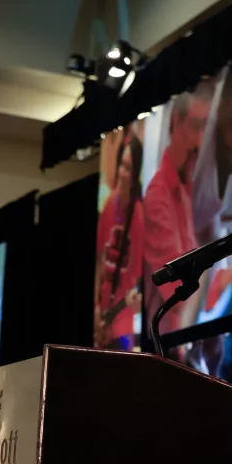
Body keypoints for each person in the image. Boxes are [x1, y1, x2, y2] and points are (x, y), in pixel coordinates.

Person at [143, 88, 211, 337]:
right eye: (195, 127)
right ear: (175, 123)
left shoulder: (183, 184)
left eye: (205, 128)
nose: (200, 141)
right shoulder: (158, 196)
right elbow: (180, 292)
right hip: (169, 349)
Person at [94, 135, 145, 350]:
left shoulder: (139, 216)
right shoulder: (109, 205)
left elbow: (138, 278)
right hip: (101, 313)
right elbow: (98, 261)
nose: (124, 173)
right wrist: (96, 307)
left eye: (129, 168)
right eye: (122, 166)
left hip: (122, 319)